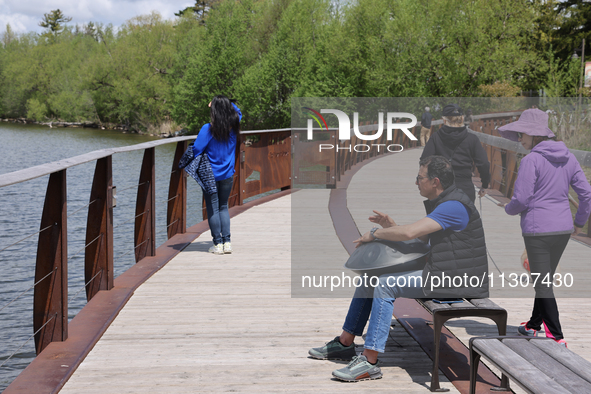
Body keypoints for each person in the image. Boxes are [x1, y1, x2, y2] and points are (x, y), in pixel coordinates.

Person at [308, 156, 488, 382]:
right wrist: (391, 227)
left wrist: (374, 233)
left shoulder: (454, 206)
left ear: (435, 181)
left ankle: (370, 361)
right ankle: (345, 342)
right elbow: (420, 241)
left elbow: (410, 233)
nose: (416, 182)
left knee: (386, 284)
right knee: (371, 278)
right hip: (442, 273)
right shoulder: (446, 202)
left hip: (453, 281)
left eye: (419, 178)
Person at [497, 108, 591, 347]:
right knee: (544, 278)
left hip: (537, 229)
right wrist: (579, 222)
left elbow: (522, 199)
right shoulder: (568, 157)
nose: (520, 139)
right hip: (562, 229)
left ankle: (556, 336)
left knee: (542, 282)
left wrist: (507, 209)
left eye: (522, 134)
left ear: (534, 135)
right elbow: (586, 194)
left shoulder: (531, 160)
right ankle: (533, 325)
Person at [192, 95, 242, 255]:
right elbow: (238, 112)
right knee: (223, 207)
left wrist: (215, 104)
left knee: (212, 208)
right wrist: (225, 104)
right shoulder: (233, 127)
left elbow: (196, 149)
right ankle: (227, 243)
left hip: (210, 175)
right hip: (227, 174)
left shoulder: (207, 129)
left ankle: (217, 244)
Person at [420, 104, 491, 202]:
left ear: (444, 120)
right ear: (462, 118)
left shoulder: (435, 137)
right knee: (465, 216)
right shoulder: (472, 139)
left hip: (441, 188)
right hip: (465, 188)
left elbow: (424, 161)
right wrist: (485, 185)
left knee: (440, 217)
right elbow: (483, 163)